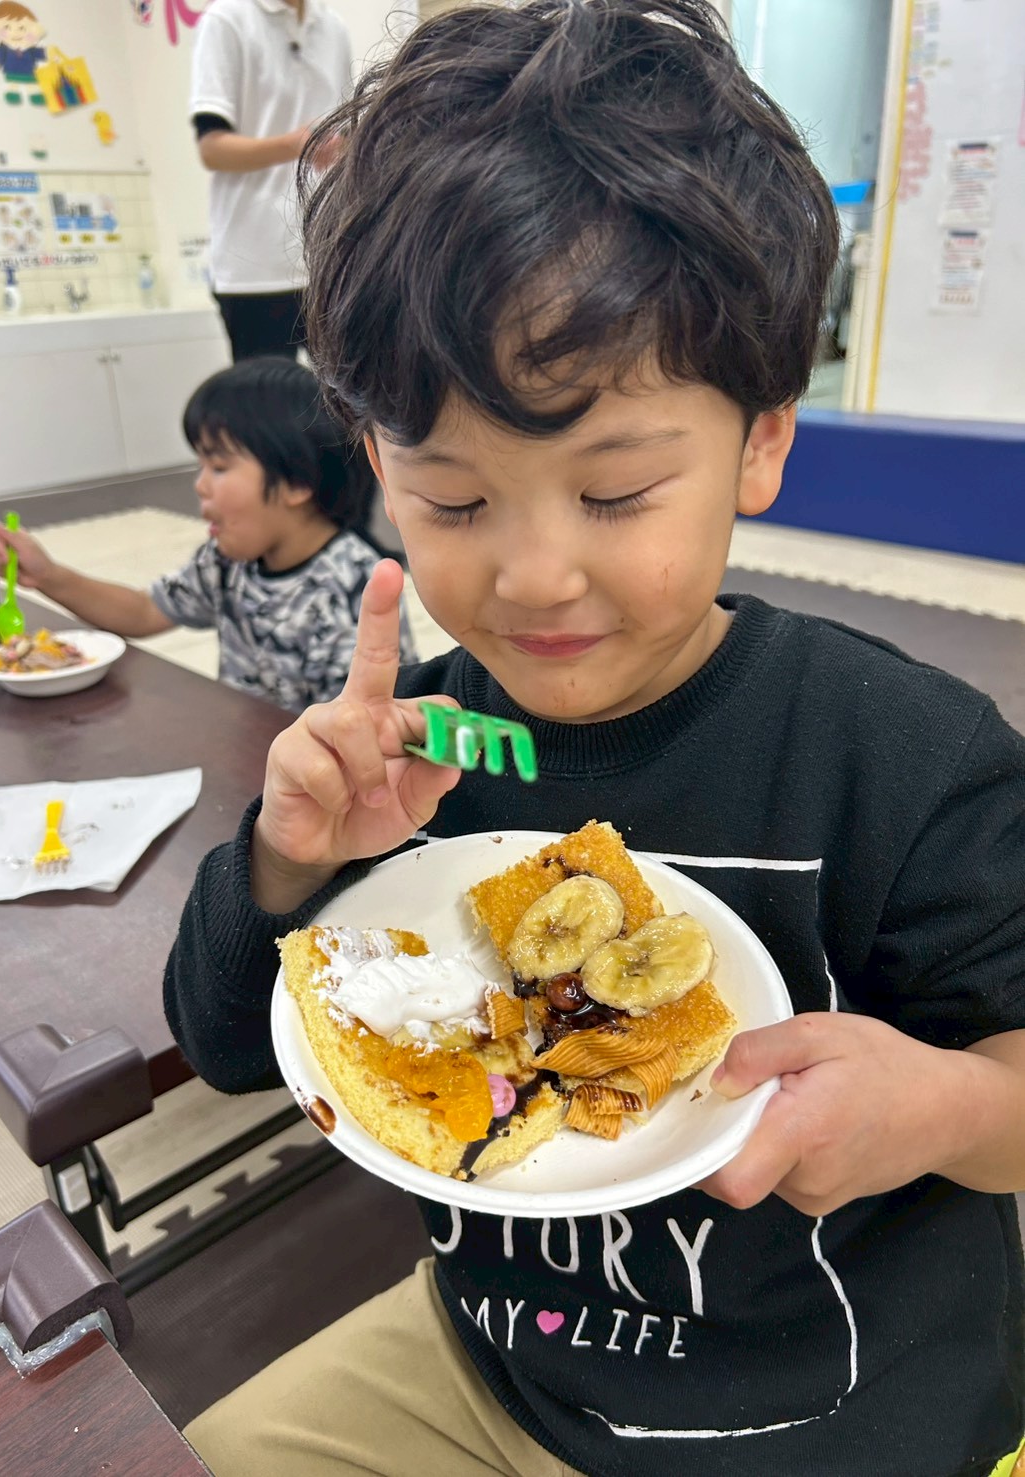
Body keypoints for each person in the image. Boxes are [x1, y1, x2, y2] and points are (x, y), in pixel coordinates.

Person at [162, 3, 1025, 1474]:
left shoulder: (903, 755)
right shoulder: (417, 751)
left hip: (832, 1416)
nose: (536, 577)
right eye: (453, 499)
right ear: (376, 464)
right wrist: (287, 859)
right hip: (500, 1361)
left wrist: (945, 1106)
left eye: (615, 494)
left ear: (761, 439)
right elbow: (230, 1047)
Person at [0, 357, 417, 711]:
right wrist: (48, 576)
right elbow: (144, 612)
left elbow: (359, 728)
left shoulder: (353, 588)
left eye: (219, 466)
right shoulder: (227, 562)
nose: (200, 485)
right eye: (201, 466)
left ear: (296, 482)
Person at [189, 0, 352, 362]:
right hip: (252, 268)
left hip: (326, 262)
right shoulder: (226, 20)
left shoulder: (333, 28)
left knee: (353, 393)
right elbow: (212, 149)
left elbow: (343, 133)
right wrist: (294, 145)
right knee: (267, 396)